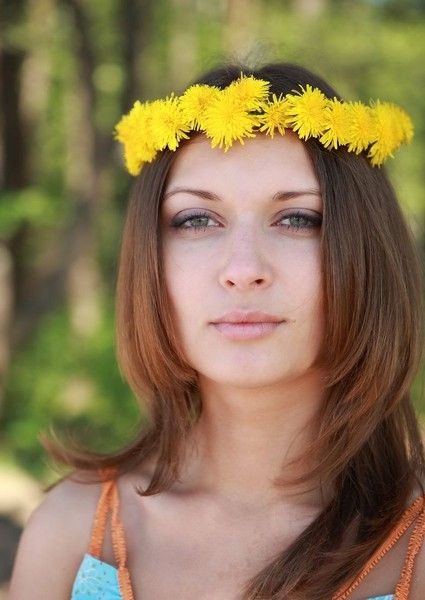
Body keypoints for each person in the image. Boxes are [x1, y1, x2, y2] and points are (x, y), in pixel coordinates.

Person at [8, 62, 425, 600]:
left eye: (298, 218)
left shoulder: (414, 545)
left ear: (365, 253)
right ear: (150, 261)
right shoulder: (74, 532)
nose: (244, 267)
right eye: (197, 220)